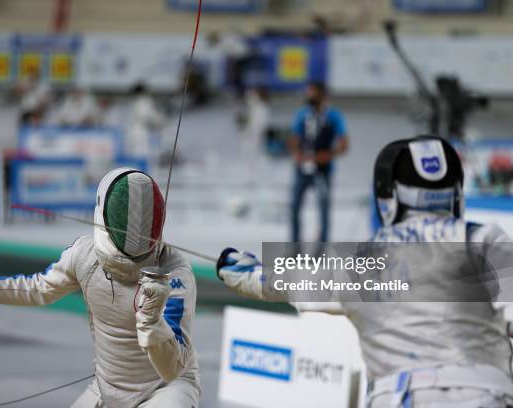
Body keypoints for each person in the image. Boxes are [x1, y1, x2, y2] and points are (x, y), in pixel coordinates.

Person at [216, 136, 513, 407]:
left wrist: (244, 269)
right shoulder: (485, 239)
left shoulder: (367, 259)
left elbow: (284, 280)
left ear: (388, 196)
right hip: (483, 396)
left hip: (397, 398)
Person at [0, 168, 200, 408]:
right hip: (109, 390)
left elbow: (172, 369)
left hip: (165, 392)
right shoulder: (85, 255)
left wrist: (152, 324)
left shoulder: (174, 274)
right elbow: (39, 289)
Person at [289, 80, 349, 243]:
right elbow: (294, 138)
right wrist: (297, 154)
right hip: (303, 168)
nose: (309, 96)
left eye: (312, 92)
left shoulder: (333, 116)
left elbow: (344, 143)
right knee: (294, 206)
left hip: (323, 169)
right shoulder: (302, 115)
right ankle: (295, 245)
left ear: (322, 95)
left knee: (323, 208)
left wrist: (328, 154)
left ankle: (321, 246)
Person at [127, 84, 168, 159]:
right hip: (141, 131)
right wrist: (160, 121)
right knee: (140, 153)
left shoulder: (136, 102)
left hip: (135, 130)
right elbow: (148, 115)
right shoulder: (143, 102)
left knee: (136, 153)